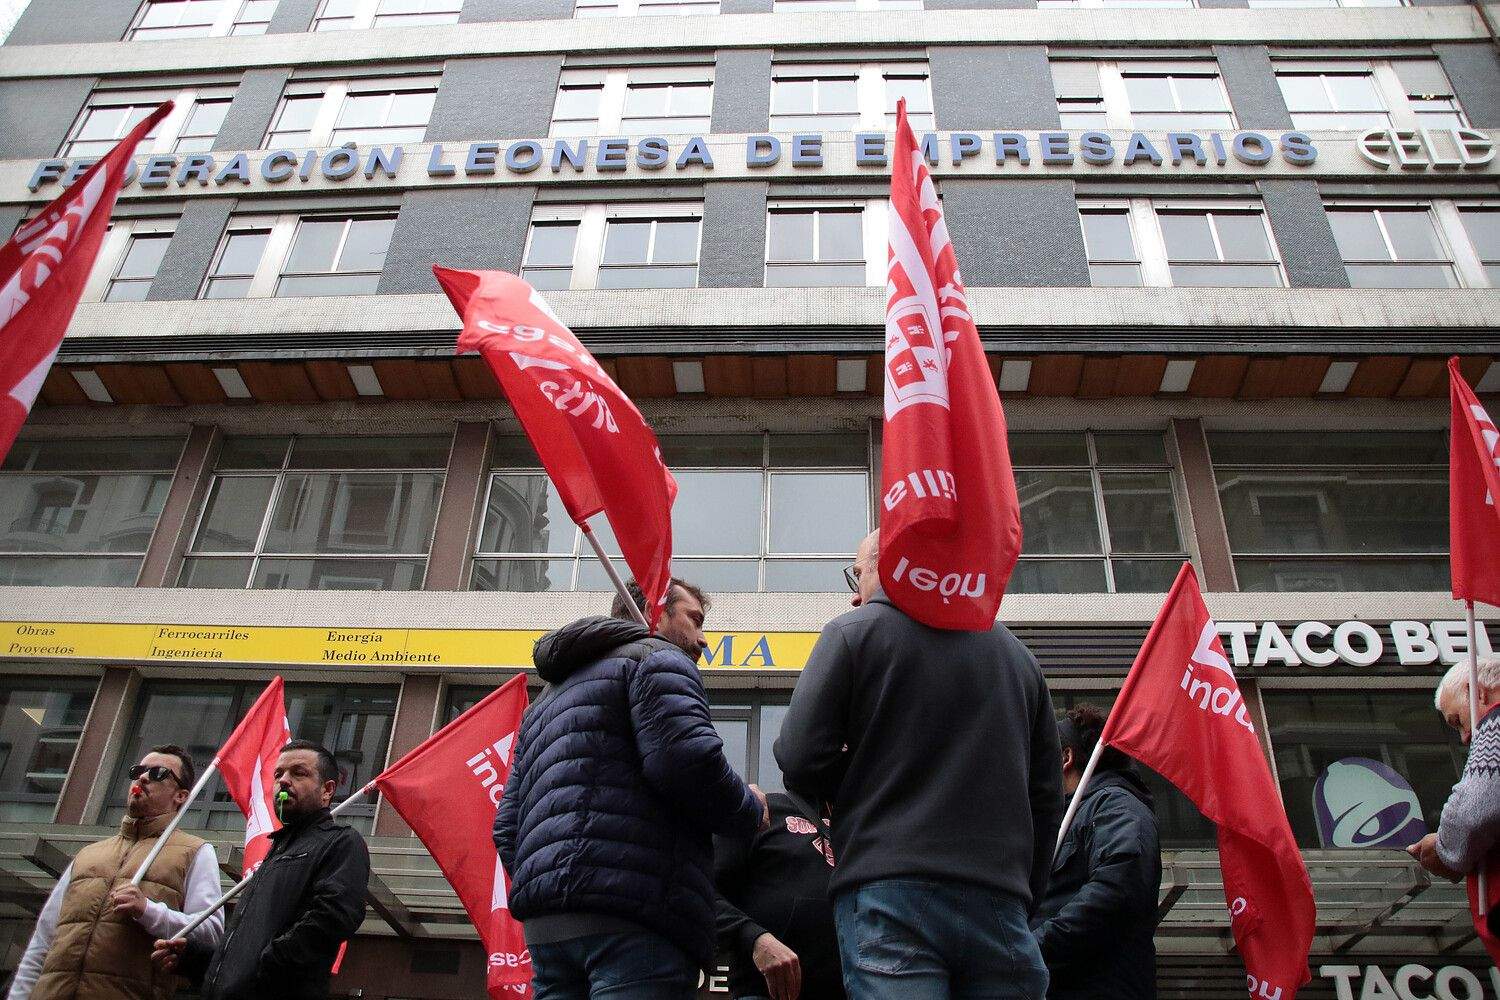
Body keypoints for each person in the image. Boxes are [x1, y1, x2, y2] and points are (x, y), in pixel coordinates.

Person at [776, 530, 1063, 1000]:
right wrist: (1024, 890)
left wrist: (861, 791)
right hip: (1001, 903)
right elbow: (1046, 798)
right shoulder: (1020, 660)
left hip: (889, 892)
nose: (854, 592)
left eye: (858, 573)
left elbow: (799, 756)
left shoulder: (854, 632)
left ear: (884, 566)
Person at [495, 577, 769, 1000]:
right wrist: (750, 810)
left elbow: (507, 827)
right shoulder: (659, 658)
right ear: (658, 611)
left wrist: (557, 886)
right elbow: (687, 762)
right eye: (695, 620)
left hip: (548, 931)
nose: (702, 639)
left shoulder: (544, 703)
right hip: (637, 920)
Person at [151, 740, 370, 1000]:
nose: (283, 781)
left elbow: (332, 918)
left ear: (327, 790)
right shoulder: (275, 851)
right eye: (278, 774)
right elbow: (247, 946)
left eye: (298, 773)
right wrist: (196, 958)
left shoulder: (341, 841)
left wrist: (264, 964)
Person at [9, 745, 223, 1000]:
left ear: (180, 796)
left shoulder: (195, 852)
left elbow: (210, 931)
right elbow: (43, 942)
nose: (142, 777)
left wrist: (147, 910)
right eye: (138, 770)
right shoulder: (88, 856)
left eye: (157, 773)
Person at [1031, 704, 1161, 1000]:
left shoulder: (1117, 806)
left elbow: (1117, 890)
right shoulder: (1067, 817)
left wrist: (1031, 947)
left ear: (1066, 757)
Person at [714, 789, 844, 1000]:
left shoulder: (861, 823)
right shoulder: (760, 809)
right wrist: (754, 938)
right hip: (764, 992)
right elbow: (702, 892)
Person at [1408, 657, 1500, 906]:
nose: (1465, 737)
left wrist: (1443, 849)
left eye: (1457, 721)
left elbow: (1473, 810)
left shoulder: (1495, 723)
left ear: (1478, 694)